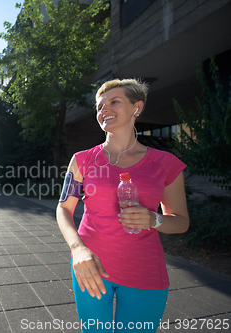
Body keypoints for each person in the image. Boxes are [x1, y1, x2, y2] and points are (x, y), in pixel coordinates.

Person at [56, 79, 190, 332]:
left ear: (136, 107)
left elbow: (181, 221)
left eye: (114, 102)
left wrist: (154, 219)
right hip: (90, 267)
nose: (104, 109)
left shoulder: (166, 163)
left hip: (144, 272)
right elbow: (63, 208)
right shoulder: (82, 160)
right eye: (99, 106)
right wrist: (78, 250)